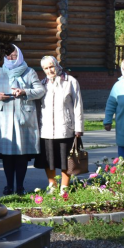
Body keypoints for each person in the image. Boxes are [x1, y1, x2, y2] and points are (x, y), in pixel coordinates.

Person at [0, 45, 45, 196]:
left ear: (20, 56)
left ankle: (20, 187)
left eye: (14, 56)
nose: (11, 58)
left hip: (24, 119)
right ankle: (9, 186)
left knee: (21, 154)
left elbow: (40, 90)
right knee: (7, 155)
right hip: (4, 119)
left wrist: (24, 92)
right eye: (8, 56)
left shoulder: (29, 72)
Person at [33, 56, 84, 192]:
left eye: (51, 66)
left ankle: (64, 187)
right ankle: (52, 186)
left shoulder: (71, 81)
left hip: (65, 128)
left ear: (57, 65)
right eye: (46, 68)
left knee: (65, 160)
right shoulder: (42, 84)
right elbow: (38, 108)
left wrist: (79, 128)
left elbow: (78, 105)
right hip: (46, 130)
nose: (49, 70)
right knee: (48, 161)